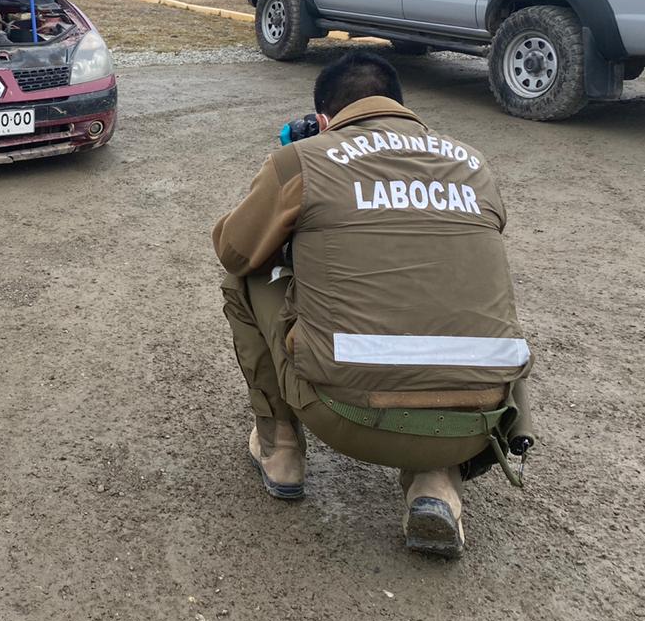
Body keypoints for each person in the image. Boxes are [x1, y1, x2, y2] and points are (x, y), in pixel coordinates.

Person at [213, 50, 533, 558]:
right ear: (402, 108)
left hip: (349, 418)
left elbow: (233, 248)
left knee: (244, 278)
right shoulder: (476, 165)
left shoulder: (304, 159)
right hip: (477, 424)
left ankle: (282, 451)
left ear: (323, 120)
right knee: (458, 291)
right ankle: (437, 482)